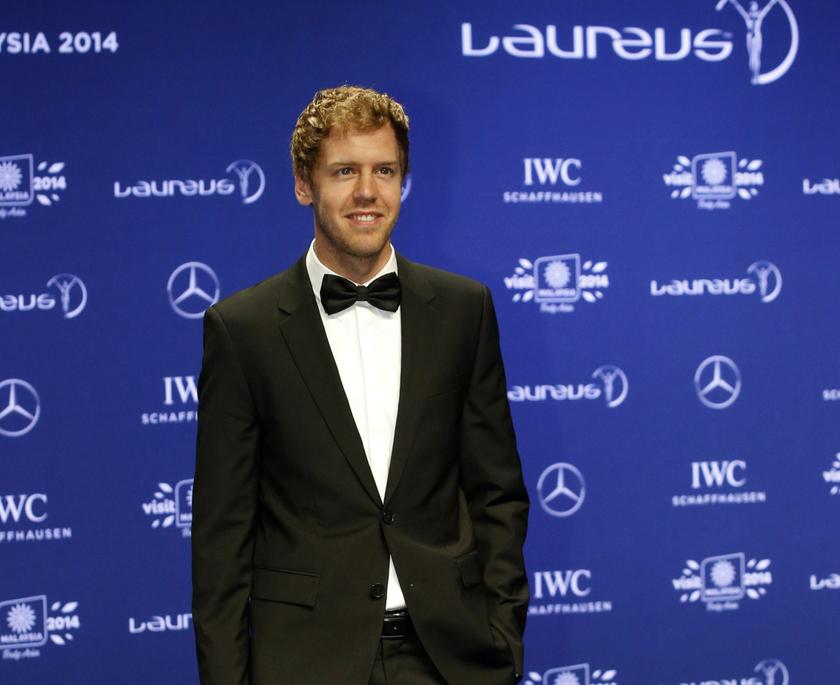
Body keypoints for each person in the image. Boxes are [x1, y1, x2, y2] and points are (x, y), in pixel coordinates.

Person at [192, 85, 529, 685]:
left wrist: (502, 639)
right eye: (344, 171)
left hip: (449, 658)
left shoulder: (463, 310)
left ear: (404, 181)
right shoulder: (242, 330)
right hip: (306, 663)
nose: (368, 192)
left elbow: (497, 493)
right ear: (303, 184)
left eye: (385, 170)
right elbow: (221, 540)